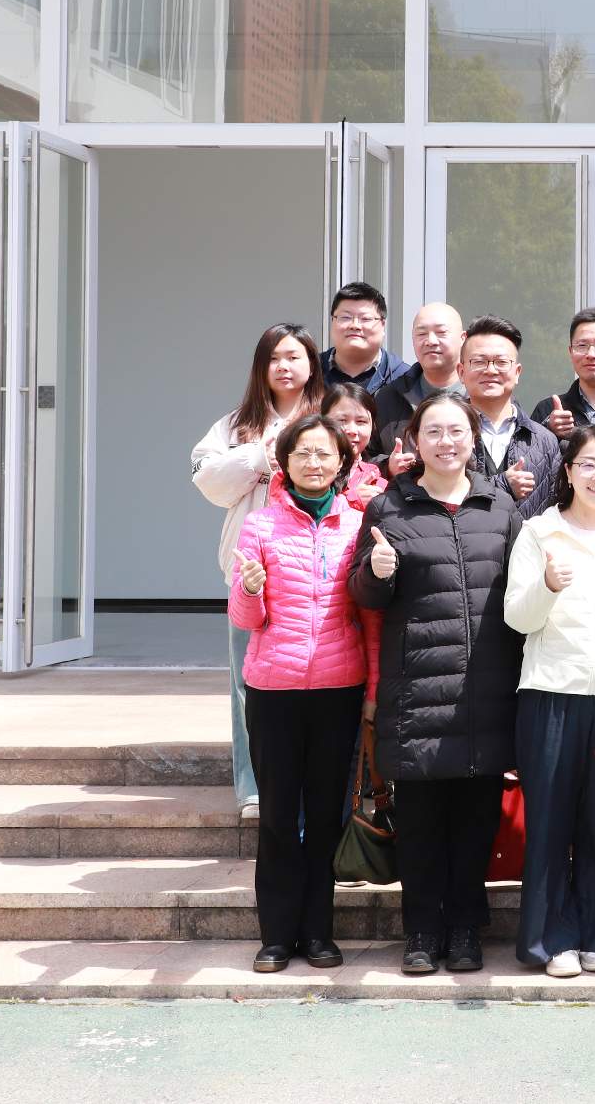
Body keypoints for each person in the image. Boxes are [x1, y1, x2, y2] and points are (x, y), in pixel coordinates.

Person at [350, 393, 525, 977]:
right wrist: (377, 573)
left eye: (457, 431)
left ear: (473, 439)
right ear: (414, 441)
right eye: (434, 432)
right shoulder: (389, 508)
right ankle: (422, 931)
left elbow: (523, 591)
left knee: (476, 821)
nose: (446, 442)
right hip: (418, 691)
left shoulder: (499, 506)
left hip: (486, 689)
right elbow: (363, 593)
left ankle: (466, 928)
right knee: (422, 823)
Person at [502, 424, 595, 977]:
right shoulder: (539, 532)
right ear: (567, 472)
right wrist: (546, 584)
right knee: (550, 823)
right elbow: (517, 618)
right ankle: (552, 939)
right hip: (549, 699)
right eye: (588, 464)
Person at [226, 413, 377, 974]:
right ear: (284, 464)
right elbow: (245, 618)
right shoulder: (261, 525)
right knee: (277, 815)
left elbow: (371, 620)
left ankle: (318, 932)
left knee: (325, 813)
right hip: (275, 690)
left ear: (343, 462)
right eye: (303, 453)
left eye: (324, 453)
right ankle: (275, 936)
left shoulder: (358, 525)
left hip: (339, 689)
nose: (314, 462)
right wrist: (250, 589)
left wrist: (373, 690)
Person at [191, 323, 326, 817]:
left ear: (312, 364)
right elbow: (209, 482)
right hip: (251, 573)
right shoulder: (237, 425)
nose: (284, 366)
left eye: (294, 356)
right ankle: (253, 786)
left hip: (317, 571)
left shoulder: (327, 415)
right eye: (275, 358)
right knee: (247, 681)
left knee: (319, 678)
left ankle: (312, 786)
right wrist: (259, 457)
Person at [454, 315, 561, 518]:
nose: (490, 370)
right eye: (479, 362)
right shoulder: (443, 436)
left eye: (501, 362)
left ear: (517, 372)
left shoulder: (545, 441)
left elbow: (557, 511)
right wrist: (502, 484)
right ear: (461, 371)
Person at [532, 308, 595, 437]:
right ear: (571, 352)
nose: (591, 354)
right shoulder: (548, 411)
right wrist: (548, 433)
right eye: (582, 346)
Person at [372, 302, 467, 437]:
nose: (431, 341)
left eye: (441, 332)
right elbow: (372, 449)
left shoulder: (480, 392)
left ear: (462, 338)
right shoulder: (389, 398)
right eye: (422, 334)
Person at [320, 282, 411, 393]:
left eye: (366, 319)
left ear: (383, 325)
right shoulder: (310, 371)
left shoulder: (405, 379)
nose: (355, 325)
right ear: (332, 321)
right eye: (345, 317)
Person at [323, 383, 390, 511]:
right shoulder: (307, 467)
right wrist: (350, 500)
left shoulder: (375, 477)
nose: (352, 430)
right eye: (342, 420)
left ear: (372, 427)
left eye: (361, 421)